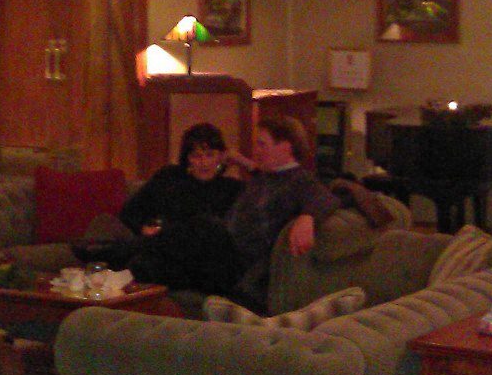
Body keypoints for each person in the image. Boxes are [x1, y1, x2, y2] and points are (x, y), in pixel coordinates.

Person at [132, 116, 338, 312]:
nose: (256, 150)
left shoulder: (300, 180)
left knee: (206, 225)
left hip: (240, 268)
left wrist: (308, 217)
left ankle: (120, 253)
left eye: (262, 144)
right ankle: (122, 262)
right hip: (218, 258)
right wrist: (242, 161)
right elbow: (258, 170)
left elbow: (328, 197)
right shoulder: (266, 177)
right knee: (150, 261)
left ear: (285, 146)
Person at [118, 122, 242, 237]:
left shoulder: (231, 188)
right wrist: (144, 229)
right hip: (166, 248)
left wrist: (247, 164)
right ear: (187, 159)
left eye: (210, 155)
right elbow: (130, 212)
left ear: (220, 156)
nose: (204, 163)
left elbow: (260, 195)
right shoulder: (169, 177)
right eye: (196, 156)